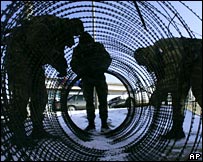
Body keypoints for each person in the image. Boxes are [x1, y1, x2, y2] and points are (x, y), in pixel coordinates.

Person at [5, 15, 84, 144]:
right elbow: (37, 43)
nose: (73, 37)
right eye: (74, 33)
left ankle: (37, 129)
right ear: (70, 27)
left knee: (40, 95)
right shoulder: (48, 24)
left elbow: (57, 53)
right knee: (21, 95)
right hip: (19, 57)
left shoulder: (60, 34)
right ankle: (18, 133)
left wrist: (61, 64)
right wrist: (56, 59)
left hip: (34, 63)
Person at [70, 32, 112, 133]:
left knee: (102, 101)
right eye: (85, 45)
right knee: (90, 102)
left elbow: (107, 59)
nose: (87, 46)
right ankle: (92, 125)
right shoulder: (78, 50)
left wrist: (101, 68)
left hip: (99, 76)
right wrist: (81, 72)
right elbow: (73, 64)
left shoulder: (97, 47)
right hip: (87, 78)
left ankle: (104, 125)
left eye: (88, 44)